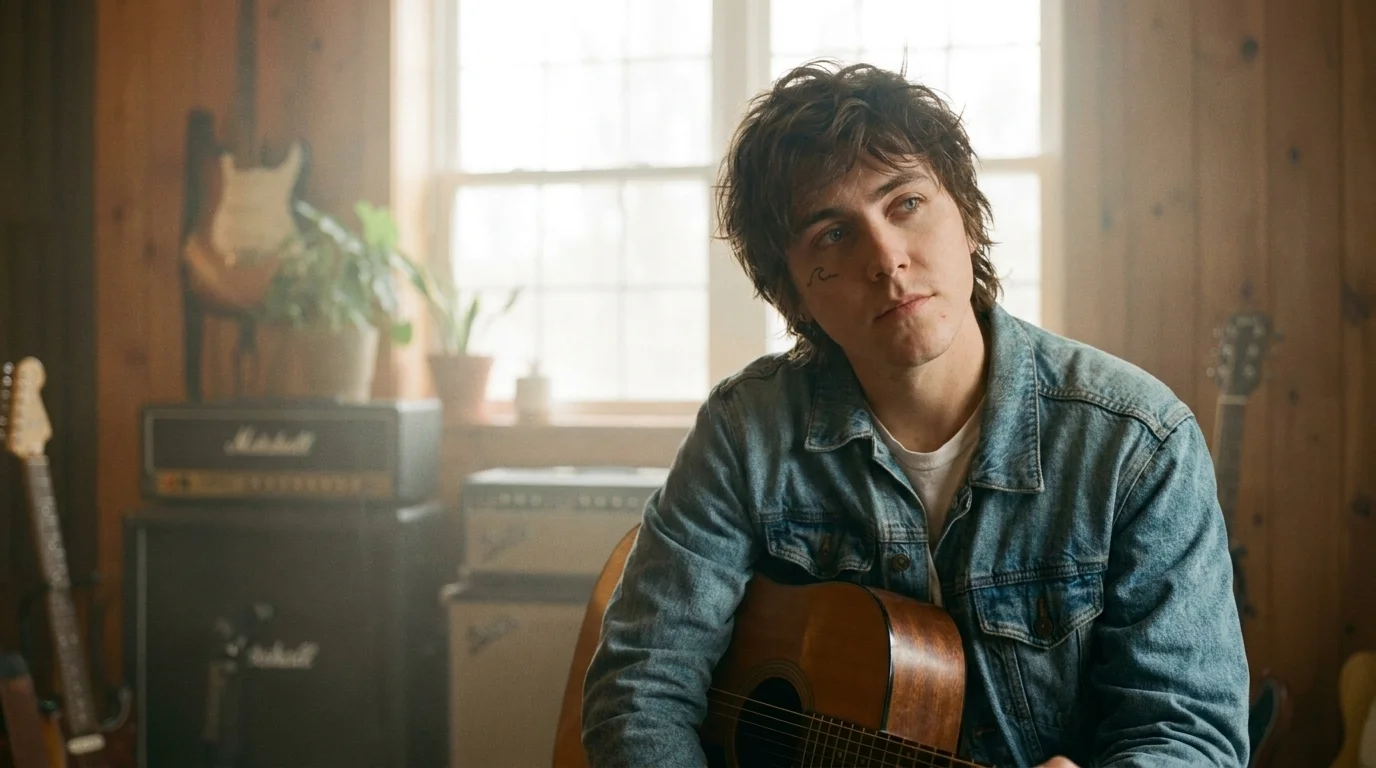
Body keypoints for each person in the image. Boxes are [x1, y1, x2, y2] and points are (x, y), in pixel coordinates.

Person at [580, 60, 1251, 767]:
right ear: (792, 293)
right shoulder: (745, 433)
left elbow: (1189, 733)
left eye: (905, 204)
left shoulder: (1138, 443)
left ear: (967, 218)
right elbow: (640, 690)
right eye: (833, 235)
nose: (886, 259)